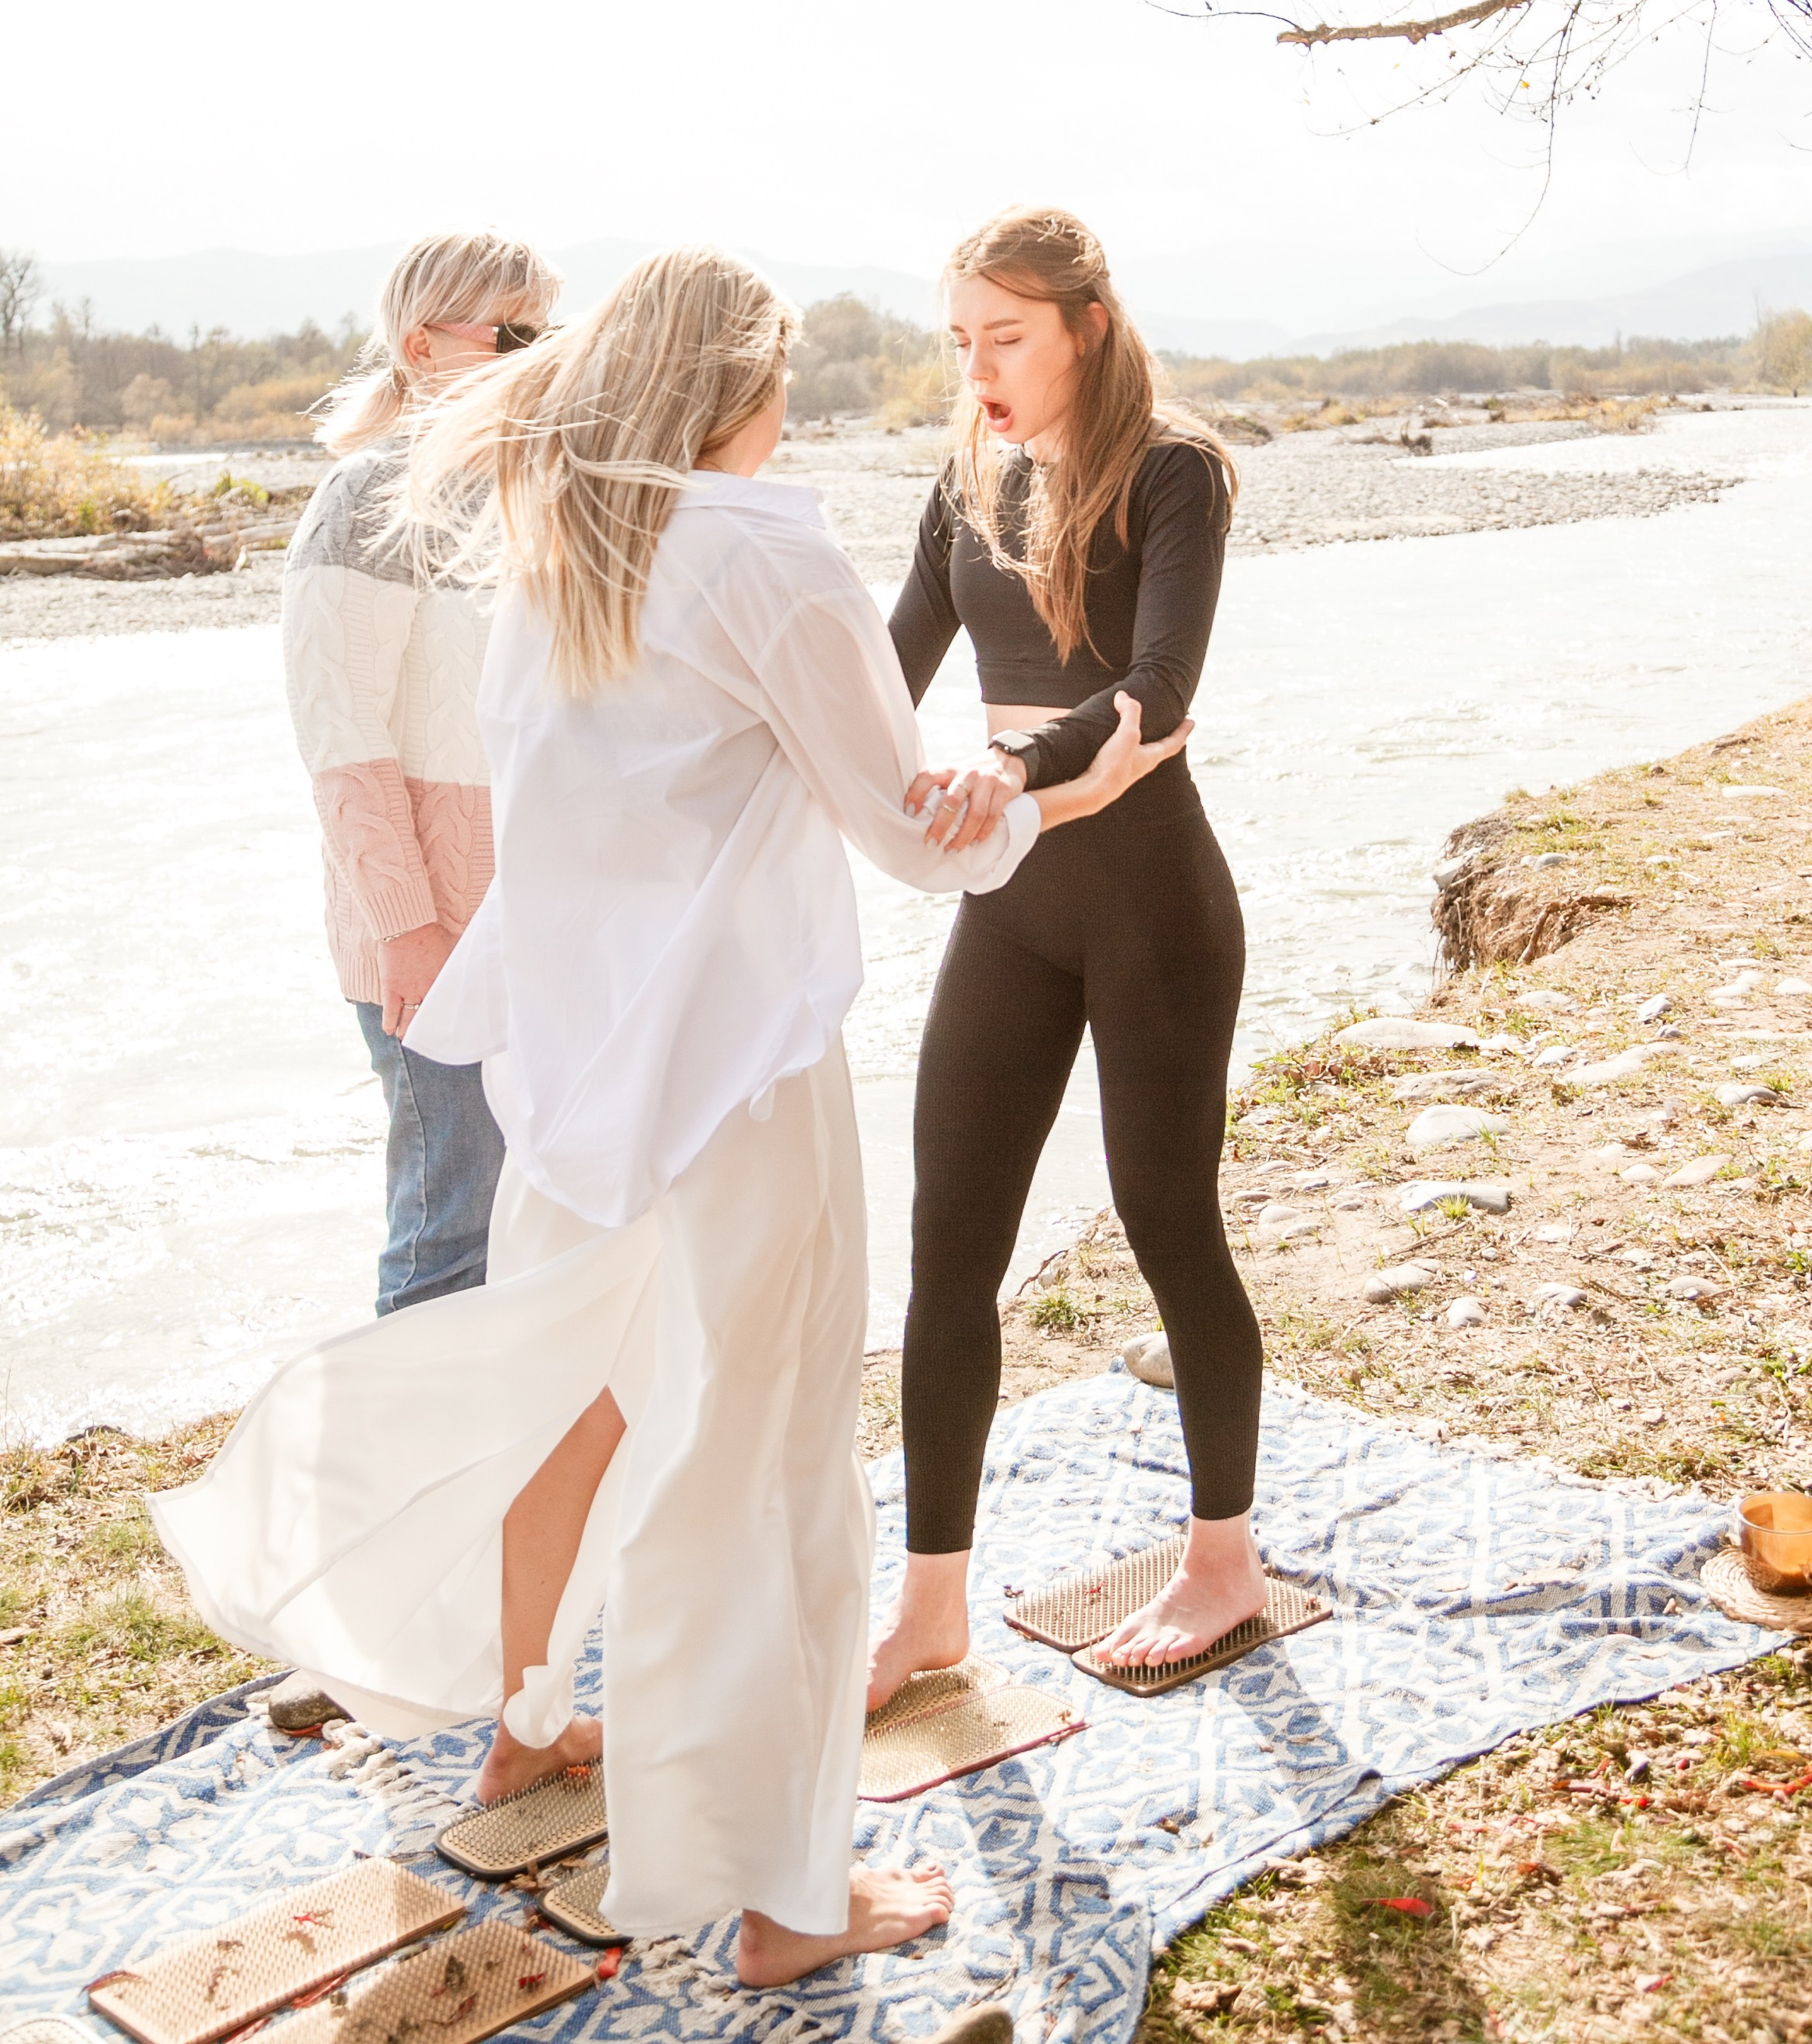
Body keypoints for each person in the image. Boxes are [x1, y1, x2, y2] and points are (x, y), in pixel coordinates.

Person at [154, 248, 1181, 1979]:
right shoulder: (760, 545)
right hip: (731, 1078)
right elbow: (905, 828)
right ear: (742, 392)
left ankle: (529, 1719)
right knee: (767, 1465)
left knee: (587, 1409)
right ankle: (785, 1897)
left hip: (568, 1074)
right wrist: (1050, 782)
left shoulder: (556, 546)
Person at [867, 206, 1264, 1697]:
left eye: (1007, 338)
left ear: (1085, 326)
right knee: (946, 1254)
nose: (979, 368)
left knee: (1170, 1225)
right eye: (961, 340)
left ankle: (1222, 1562)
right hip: (1013, 906)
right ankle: (931, 1609)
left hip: (1153, 907)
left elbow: (1158, 686)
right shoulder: (962, 481)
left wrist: (1015, 776)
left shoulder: (1174, 473)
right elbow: (882, 672)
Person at [283, 229, 560, 1313]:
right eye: (514, 333)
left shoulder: (524, 490)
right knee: (452, 1231)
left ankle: (503, 1478)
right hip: (431, 935)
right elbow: (338, 732)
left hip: (533, 923)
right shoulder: (367, 498)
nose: (542, 355)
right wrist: (407, 925)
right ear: (421, 345)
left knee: (537, 1230)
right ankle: (399, 1475)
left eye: (552, 330)